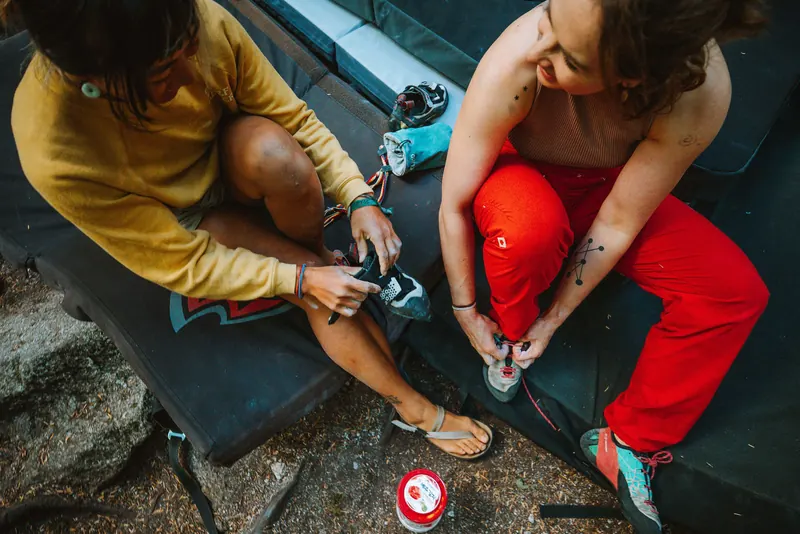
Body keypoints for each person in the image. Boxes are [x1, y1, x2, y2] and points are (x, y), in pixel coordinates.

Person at [4, 0, 492, 459]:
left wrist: (358, 198)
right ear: (95, 82)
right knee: (316, 288)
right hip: (186, 218)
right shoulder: (57, 150)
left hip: (233, 152)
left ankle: (319, 257)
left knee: (277, 156)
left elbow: (292, 118)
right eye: (162, 73)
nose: (192, 74)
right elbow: (181, 261)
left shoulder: (193, 19)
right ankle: (410, 404)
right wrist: (298, 280)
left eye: (189, 47)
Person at [440, 0, 768, 530]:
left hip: (605, 188)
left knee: (731, 294)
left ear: (631, 79)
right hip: (516, 170)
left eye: (568, 55)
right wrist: (464, 308)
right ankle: (512, 335)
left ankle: (628, 441)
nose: (537, 46)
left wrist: (557, 318)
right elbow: (453, 201)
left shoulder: (697, 96)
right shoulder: (519, 61)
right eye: (549, 14)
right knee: (530, 232)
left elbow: (616, 224)